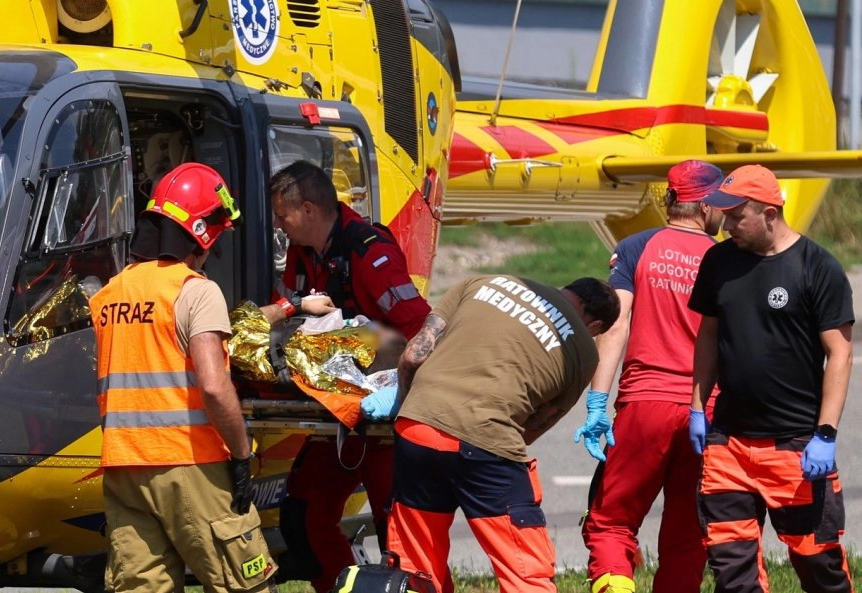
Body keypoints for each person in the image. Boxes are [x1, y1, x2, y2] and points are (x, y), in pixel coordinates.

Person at [363, 274, 619, 593]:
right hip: (486, 441)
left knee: (416, 567)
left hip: (417, 427)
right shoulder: (584, 351)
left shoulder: (482, 282)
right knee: (524, 573)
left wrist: (403, 405)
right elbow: (538, 422)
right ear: (595, 327)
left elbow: (415, 354)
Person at [92, 163, 277, 593]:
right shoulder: (195, 290)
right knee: (242, 583)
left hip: (123, 467)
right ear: (204, 232)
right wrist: (240, 453)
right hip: (190, 462)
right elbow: (213, 385)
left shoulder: (110, 294)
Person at [258, 160, 431, 593]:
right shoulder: (304, 254)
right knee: (303, 517)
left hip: (384, 419)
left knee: (396, 529)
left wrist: (400, 397)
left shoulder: (369, 252)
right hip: (339, 412)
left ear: (310, 210)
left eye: (283, 215)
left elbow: (422, 326)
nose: (279, 225)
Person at [688, 164, 855, 593]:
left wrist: (826, 432)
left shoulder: (817, 267)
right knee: (731, 570)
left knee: (818, 564)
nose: (726, 226)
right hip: (729, 446)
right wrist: (696, 408)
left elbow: (840, 353)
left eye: (736, 216)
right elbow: (708, 335)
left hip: (795, 447)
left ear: (769, 214)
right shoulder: (718, 261)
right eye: (723, 215)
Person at [576, 160, 725, 593]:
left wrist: (597, 402)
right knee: (687, 534)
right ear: (707, 205)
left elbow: (615, 325)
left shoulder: (637, 246)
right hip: (706, 411)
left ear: (671, 200)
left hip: (643, 406)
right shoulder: (726, 258)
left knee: (611, 523)